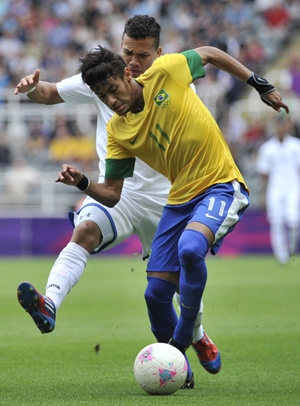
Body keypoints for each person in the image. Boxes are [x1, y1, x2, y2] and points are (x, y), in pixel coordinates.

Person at [54, 45, 288, 367]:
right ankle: (178, 369)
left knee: (191, 249)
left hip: (219, 185)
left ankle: (181, 341)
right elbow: (111, 194)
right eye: (102, 96)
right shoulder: (118, 131)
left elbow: (209, 53)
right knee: (155, 295)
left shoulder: (165, 72)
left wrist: (258, 83)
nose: (111, 101)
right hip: (178, 201)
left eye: (112, 90)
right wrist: (82, 182)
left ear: (126, 74)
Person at [15, 15, 214, 388]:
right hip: (117, 193)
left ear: (158, 52)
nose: (132, 62)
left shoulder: (171, 80)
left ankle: (198, 337)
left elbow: (208, 64)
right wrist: (31, 87)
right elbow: (48, 94)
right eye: (127, 52)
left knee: (173, 285)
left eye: (140, 55)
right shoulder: (102, 79)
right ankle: (50, 304)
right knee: (84, 232)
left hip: (168, 199)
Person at [256, 114, 300, 264]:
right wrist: (262, 194)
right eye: (279, 125)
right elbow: (263, 173)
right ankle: (282, 257)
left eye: (284, 125)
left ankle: (291, 250)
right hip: (275, 189)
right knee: (277, 222)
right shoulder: (267, 148)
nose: (281, 128)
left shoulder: (296, 146)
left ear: (288, 127)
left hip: (293, 188)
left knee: (293, 220)